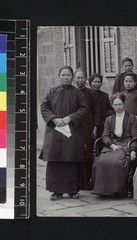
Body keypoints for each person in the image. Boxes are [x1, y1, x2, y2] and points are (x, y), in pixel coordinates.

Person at [40, 66, 89, 201]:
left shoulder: (77, 93)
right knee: (56, 159)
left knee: (71, 159)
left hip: (72, 131)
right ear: (59, 76)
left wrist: (70, 118)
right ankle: (57, 191)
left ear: (72, 77)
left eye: (68, 75)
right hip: (55, 131)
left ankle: (73, 190)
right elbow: (44, 107)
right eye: (63, 75)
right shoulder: (52, 91)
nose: (66, 77)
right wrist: (54, 119)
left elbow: (84, 109)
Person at [92, 93, 137, 195]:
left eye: (120, 104)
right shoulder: (109, 119)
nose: (118, 107)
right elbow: (105, 136)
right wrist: (111, 144)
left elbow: (135, 137)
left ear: (124, 104)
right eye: (116, 105)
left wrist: (133, 150)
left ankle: (116, 188)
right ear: (112, 105)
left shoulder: (131, 118)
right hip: (112, 145)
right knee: (100, 161)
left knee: (117, 162)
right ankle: (102, 189)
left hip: (126, 145)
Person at [74, 69, 101, 189]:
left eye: (82, 78)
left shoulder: (91, 93)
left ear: (86, 79)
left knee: (88, 154)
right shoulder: (72, 92)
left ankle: (88, 181)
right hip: (74, 126)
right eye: (78, 77)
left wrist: (95, 127)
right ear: (75, 79)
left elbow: (96, 111)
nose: (80, 80)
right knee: (76, 153)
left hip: (88, 127)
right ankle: (76, 182)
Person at [88, 73, 114, 138]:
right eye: (95, 82)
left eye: (99, 82)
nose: (97, 84)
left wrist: (104, 113)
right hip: (89, 123)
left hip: (101, 123)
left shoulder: (104, 96)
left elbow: (111, 110)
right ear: (90, 82)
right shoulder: (86, 94)